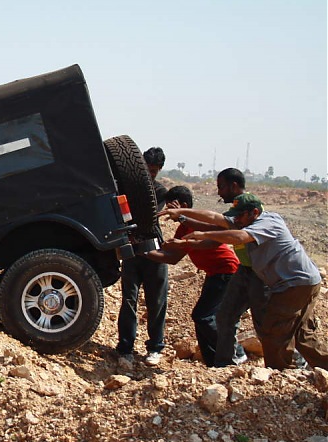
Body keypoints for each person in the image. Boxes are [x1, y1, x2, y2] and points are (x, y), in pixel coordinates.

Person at [161, 193, 326, 370]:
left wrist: (202, 234)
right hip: (303, 281)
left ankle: (281, 372)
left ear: (254, 212)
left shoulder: (267, 223)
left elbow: (239, 237)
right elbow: (214, 217)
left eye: (240, 215)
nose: (236, 219)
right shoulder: (245, 220)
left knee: (273, 332)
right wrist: (181, 212)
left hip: (294, 283)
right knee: (302, 334)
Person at [144, 186, 239, 366]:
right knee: (201, 317)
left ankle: (234, 351)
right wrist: (143, 252)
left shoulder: (195, 223)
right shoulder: (183, 228)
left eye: (172, 206)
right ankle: (214, 362)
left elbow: (202, 243)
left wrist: (145, 252)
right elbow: (172, 258)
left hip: (226, 271)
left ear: (183, 206)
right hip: (215, 273)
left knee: (204, 317)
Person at [116, 147, 168, 366]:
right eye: (147, 169)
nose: (150, 174)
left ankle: (155, 348)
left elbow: (151, 217)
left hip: (154, 251)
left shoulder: (159, 191)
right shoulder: (125, 187)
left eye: (154, 171)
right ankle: (125, 348)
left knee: (156, 301)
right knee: (129, 300)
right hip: (132, 251)